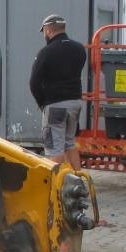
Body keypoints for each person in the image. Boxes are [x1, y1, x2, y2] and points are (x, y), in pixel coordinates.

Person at [29, 13, 86, 170]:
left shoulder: (46, 52)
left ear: (48, 30)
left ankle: (55, 187)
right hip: (75, 103)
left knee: (54, 146)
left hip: (55, 105)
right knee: (69, 143)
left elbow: (34, 82)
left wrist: (42, 103)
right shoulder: (79, 49)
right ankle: (79, 181)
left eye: (44, 32)